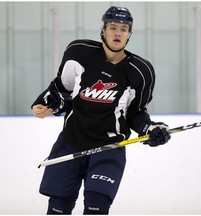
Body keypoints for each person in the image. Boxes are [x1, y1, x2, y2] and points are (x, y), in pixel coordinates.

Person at [31, 6, 171, 215]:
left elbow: (135, 112)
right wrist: (45, 102)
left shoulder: (141, 72)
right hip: (71, 142)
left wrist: (150, 129)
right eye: (112, 27)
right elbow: (61, 89)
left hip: (109, 147)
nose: (117, 33)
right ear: (103, 31)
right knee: (58, 208)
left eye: (123, 29)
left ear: (129, 34)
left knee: (96, 208)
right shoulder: (78, 53)